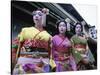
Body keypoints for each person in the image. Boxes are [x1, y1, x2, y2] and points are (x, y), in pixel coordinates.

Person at [12, 8, 52, 74]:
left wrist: (51, 63)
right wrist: (13, 58)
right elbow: (15, 45)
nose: (36, 16)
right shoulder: (25, 30)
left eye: (39, 14)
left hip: (42, 62)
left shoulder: (48, 35)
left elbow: (51, 52)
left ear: (44, 18)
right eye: (34, 14)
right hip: (25, 60)